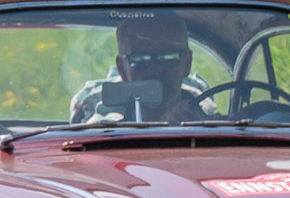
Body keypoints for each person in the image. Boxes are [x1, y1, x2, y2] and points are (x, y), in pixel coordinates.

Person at [70, 11, 215, 125]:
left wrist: (198, 129)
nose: (155, 69)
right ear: (122, 69)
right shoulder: (99, 128)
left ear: (187, 63)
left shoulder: (213, 124)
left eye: (169, 58)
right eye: (140, 60)